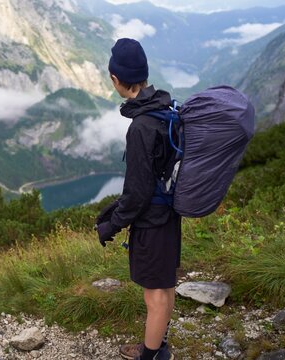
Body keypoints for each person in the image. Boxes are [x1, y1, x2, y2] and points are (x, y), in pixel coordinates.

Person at [95, 38, 181, 360]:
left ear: (116, 79)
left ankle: (151, 355)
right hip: (170, 216)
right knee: (165, 286)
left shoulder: (141, 126)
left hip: (153, 223)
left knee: (155, 296)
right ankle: (157, 346)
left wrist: (112, 224)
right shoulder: (164, 109)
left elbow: (138, 192)